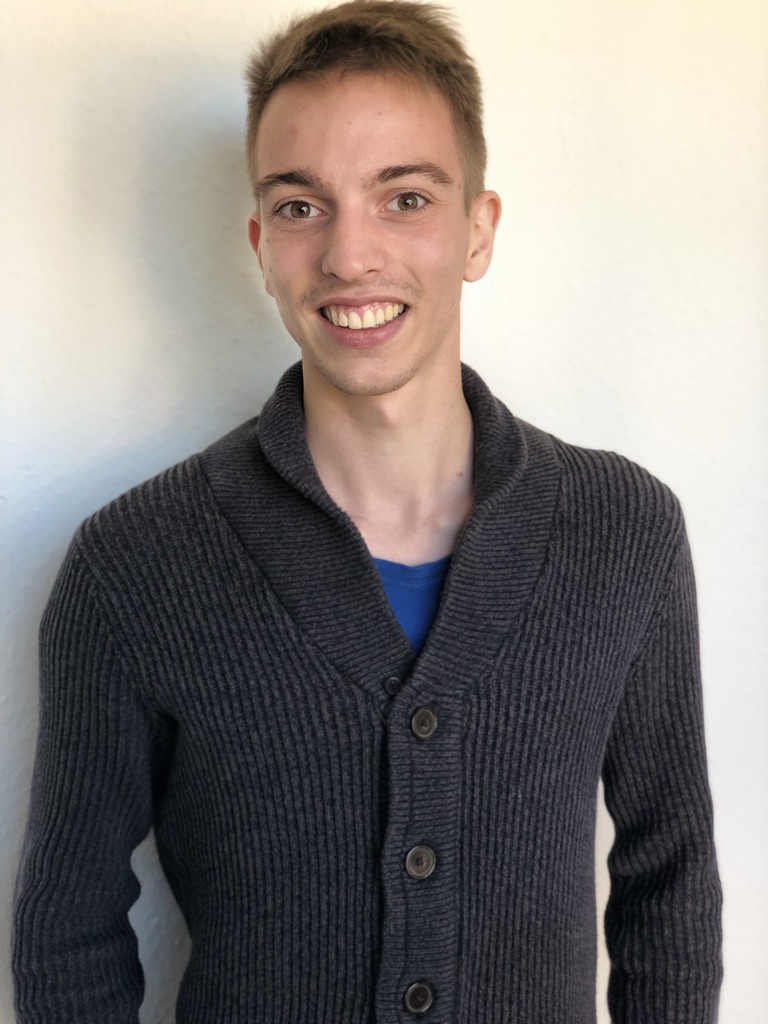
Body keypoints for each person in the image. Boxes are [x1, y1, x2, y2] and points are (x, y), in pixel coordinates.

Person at [13, 1, 722, 1021]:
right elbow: (67, 932)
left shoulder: (623, 533)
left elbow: (671, 878)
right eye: (302, 206)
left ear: (478, 230)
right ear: (261, 245)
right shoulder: (135, 566)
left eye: (405, 198)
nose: (350, 255)